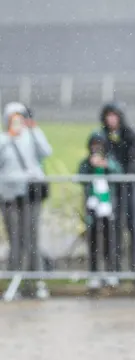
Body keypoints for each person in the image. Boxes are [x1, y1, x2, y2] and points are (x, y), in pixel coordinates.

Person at [0, 102, 52, 299]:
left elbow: (46, 151)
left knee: (32, 239)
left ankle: (36, 281)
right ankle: (15, 281)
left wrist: (34, 128)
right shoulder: (3, 140)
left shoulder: (31, 137)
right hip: (9, 197)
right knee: (15, 241)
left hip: (31, 196)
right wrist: (9, 139)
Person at [99, 102, 135, 279]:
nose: (111, 120)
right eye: (108, 116)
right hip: (112, 188)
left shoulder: (130, 135)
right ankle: (114, 267)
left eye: (114, 115)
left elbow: (131, 160)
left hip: (128, 186)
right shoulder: (103, 136)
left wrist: (116, 167)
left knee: (133, 226)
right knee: (114, 226)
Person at [78, 132, 122, 290]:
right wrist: (90, 165)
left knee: (111, 242)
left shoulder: (110, 161)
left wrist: (106, 165)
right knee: (93, 243)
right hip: (93, 208)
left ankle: (112, 273)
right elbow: (80, 176)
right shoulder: (86, 163)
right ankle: (94, 274)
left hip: (108, 208)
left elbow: (119, 173)